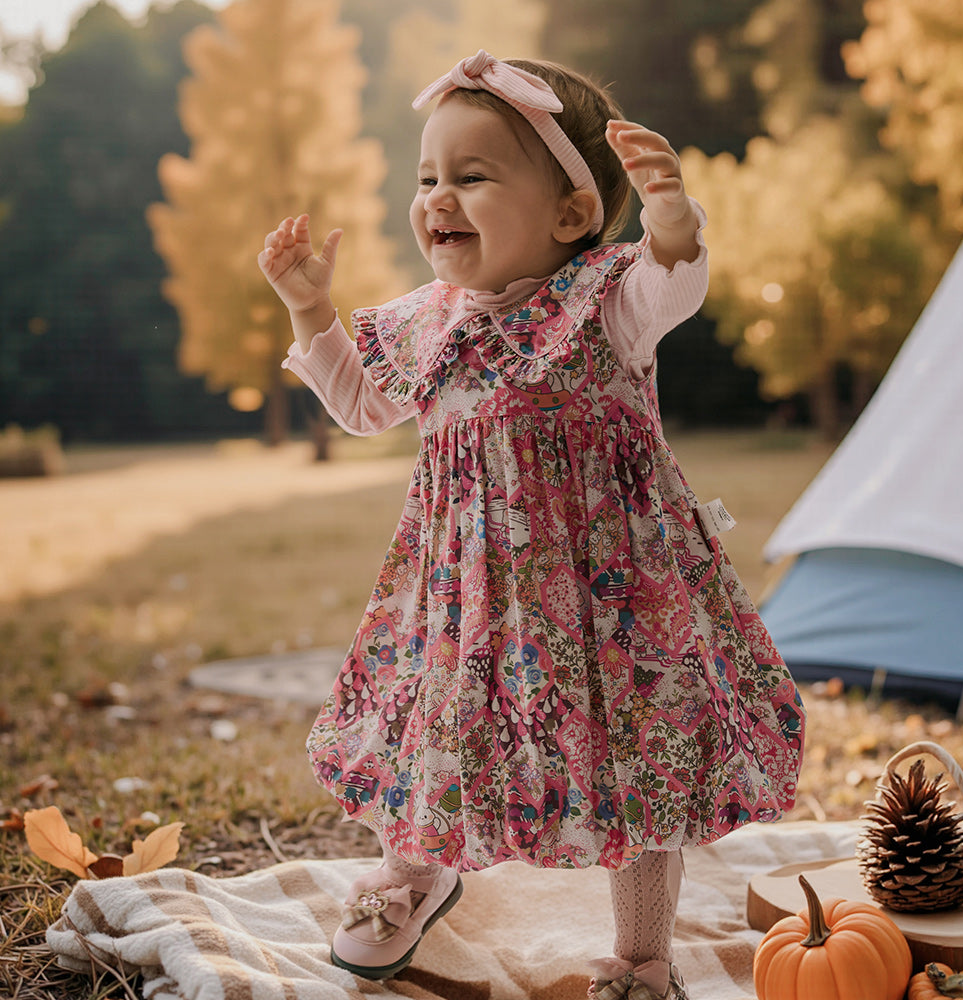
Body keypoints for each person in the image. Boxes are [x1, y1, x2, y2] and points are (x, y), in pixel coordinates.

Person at [259, 50, 804, 1000]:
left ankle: (640, 957)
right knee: (437, 730)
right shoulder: (429, 324)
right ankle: (414, 876)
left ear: (569, 213)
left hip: (620, 602)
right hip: (465, 593)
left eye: (473, 177)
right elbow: (358, 406)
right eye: (428, 177)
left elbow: (676, 280)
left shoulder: (606, 303)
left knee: (642, 755)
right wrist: (311, 304)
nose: (439, 197)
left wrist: (672, 214)